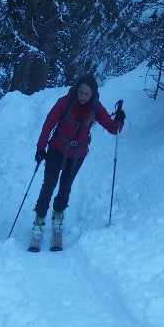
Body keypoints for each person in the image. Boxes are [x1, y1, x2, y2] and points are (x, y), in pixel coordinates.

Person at [29, 73, 125, 250]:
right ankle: (39, 222)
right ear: (76, 90)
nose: (82, 96)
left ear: (93, 94)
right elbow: (48, 124)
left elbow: (113, 129)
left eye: (86, 94)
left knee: (66, 186)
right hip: (56, 149)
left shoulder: (96, 108)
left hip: (78, 153)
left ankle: (57, 219)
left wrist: (120, 119)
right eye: (80, 92)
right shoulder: (65, 102)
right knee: (48, 185)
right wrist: (41, 147)